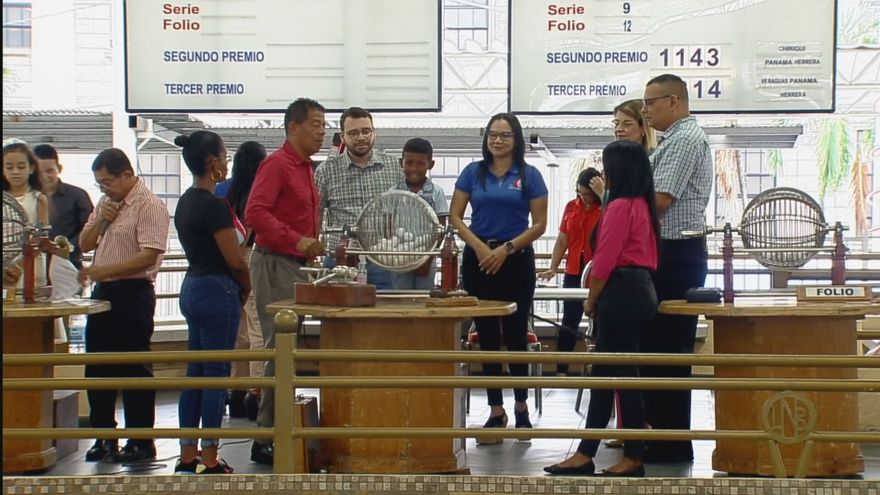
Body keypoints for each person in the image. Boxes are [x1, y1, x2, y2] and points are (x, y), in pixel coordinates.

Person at [544, 139, 660, 477]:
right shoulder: (642, 204)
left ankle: (629, 456)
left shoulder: (619, 206)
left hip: (620, 292)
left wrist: (591, 299)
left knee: (618, 375)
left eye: (607, 169)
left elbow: (605, 260)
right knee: (613, 374)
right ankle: (588, 452)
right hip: (640, 289)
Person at [450, 112, 548, 443]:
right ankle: (496, 410)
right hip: (478, 259)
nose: (498, 140)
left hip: (515, 259)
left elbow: (540, 224)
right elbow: (456, 217)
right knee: (487, 336)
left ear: (516, 140)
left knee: (516, 334)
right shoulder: (472, 172)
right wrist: (480, 247)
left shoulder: (530, 175)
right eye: (493, 134)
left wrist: (505, 250)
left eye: (505, 135)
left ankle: (521, 406)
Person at [245, 98, 326, 465]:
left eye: (324, 125)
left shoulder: (306, 168)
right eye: (315, 124)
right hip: (275, 263)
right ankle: (265, 436)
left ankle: (280, 429)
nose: (321, 131)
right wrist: (297, 240)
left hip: (297, 265)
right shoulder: (277, 164)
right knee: (279, 348)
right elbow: (255, 212)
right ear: (294, 127)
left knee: (287, 351)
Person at [640, 73, 714, 463]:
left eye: (650, 102)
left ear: (674, 101)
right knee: (658, 345)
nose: (646, 110)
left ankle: (670, 442)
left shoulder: (684, 140)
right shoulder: (673, 140)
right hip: (668, 250)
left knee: (668, 347)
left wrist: (620, 205)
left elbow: (660, 199)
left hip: (675, 252)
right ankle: (662, 435)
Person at [78, 148, 170, 463]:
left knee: (134, 366)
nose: (103, 188)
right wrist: (101, 220)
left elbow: (149, 255)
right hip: (102, 293)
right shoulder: (105, 203)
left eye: (107, 182)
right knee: (97, 367)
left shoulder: (149, 205)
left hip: (133, 293)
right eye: (99, 183)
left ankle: (140, 439)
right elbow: (84, 244)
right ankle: (104, 436)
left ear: (127, 175)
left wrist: (103, 270)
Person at [173, 131, 251, 474]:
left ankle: (187, 456)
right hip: (218, 289)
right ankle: (210, 458)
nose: (226, 163)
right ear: (211, 162)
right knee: (217, 375)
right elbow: (235, 260)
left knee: (196, 373)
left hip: (191, 286)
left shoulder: (185, 202)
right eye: (224, 157)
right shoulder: (214, 206)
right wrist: (246, 286)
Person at [316, 106, 403, 289]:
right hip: (340, 261)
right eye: (354, 133)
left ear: (374, 132)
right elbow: (315, 214)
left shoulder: (394, 166)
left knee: (387, 307)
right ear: (343, 136)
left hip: (384, 260)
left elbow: (404, 209)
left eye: (366, 131)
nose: (361, 137)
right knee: (336, 308)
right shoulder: (326, 171)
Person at [537, 168, 602, 376]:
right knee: (569, 320)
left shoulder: (606, 208)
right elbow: (562, 239)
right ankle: (561, 370)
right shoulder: (571, 206)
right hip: (573, 270)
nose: (584, 198)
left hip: (597, 271)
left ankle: (599, 367)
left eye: (588, 194)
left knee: (599, 318)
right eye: (580, 193)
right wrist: (553, 267)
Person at [223, 141, 268, 420]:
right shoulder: (260, 192)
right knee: (257, 327)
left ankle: (236, 393)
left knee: (238, 330)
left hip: (228, 259)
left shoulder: (225, 191)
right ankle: (257, 392)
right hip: (253, 256)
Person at [389, 137, 449, 290]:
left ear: (431, 164)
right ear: (401, 162)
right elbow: (388, 226)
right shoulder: (393, 193)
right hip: (399, 258)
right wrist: (395, 255)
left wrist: (427, 260)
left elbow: (441, 228)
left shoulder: (436, 193)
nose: (414, 168)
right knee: (400, 296)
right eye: (409, 163)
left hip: (426, 259)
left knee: (424, 296)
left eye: (420, 164)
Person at [33, 143, 94, 270]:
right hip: (34, 265)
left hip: (69, 265)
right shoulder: (28, 197)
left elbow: (90, 228)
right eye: (39, 172)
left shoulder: (78, 196)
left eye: (49, 171)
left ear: (59, 168)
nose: (44, 176)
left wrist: (67, 247)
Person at [3, 142, 49, 286]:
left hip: (30, 264)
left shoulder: (38, 198)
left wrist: (18, 265)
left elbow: (41, 237)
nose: (15, 172)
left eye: (21, 167)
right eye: (9, 167)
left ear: (32, 168)